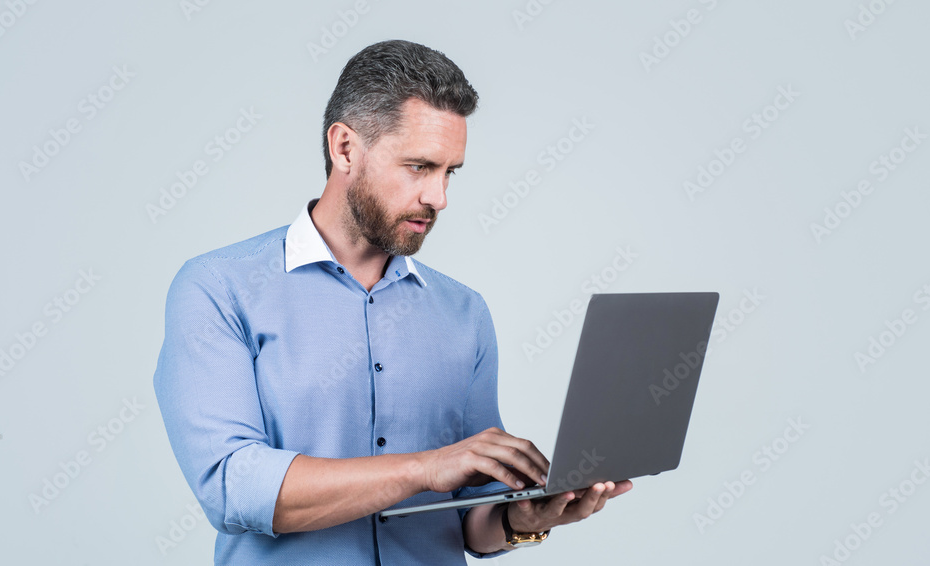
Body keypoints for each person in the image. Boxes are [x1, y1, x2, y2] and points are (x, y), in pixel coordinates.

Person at [152, 39, 632, 565]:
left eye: (450, 172)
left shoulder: (464, 313)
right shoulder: (219, 289)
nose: (439, 197)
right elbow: (232, 487)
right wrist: (424, 468)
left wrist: (522, 518)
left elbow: (472, 515)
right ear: (345, 149)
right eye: (419, 167)